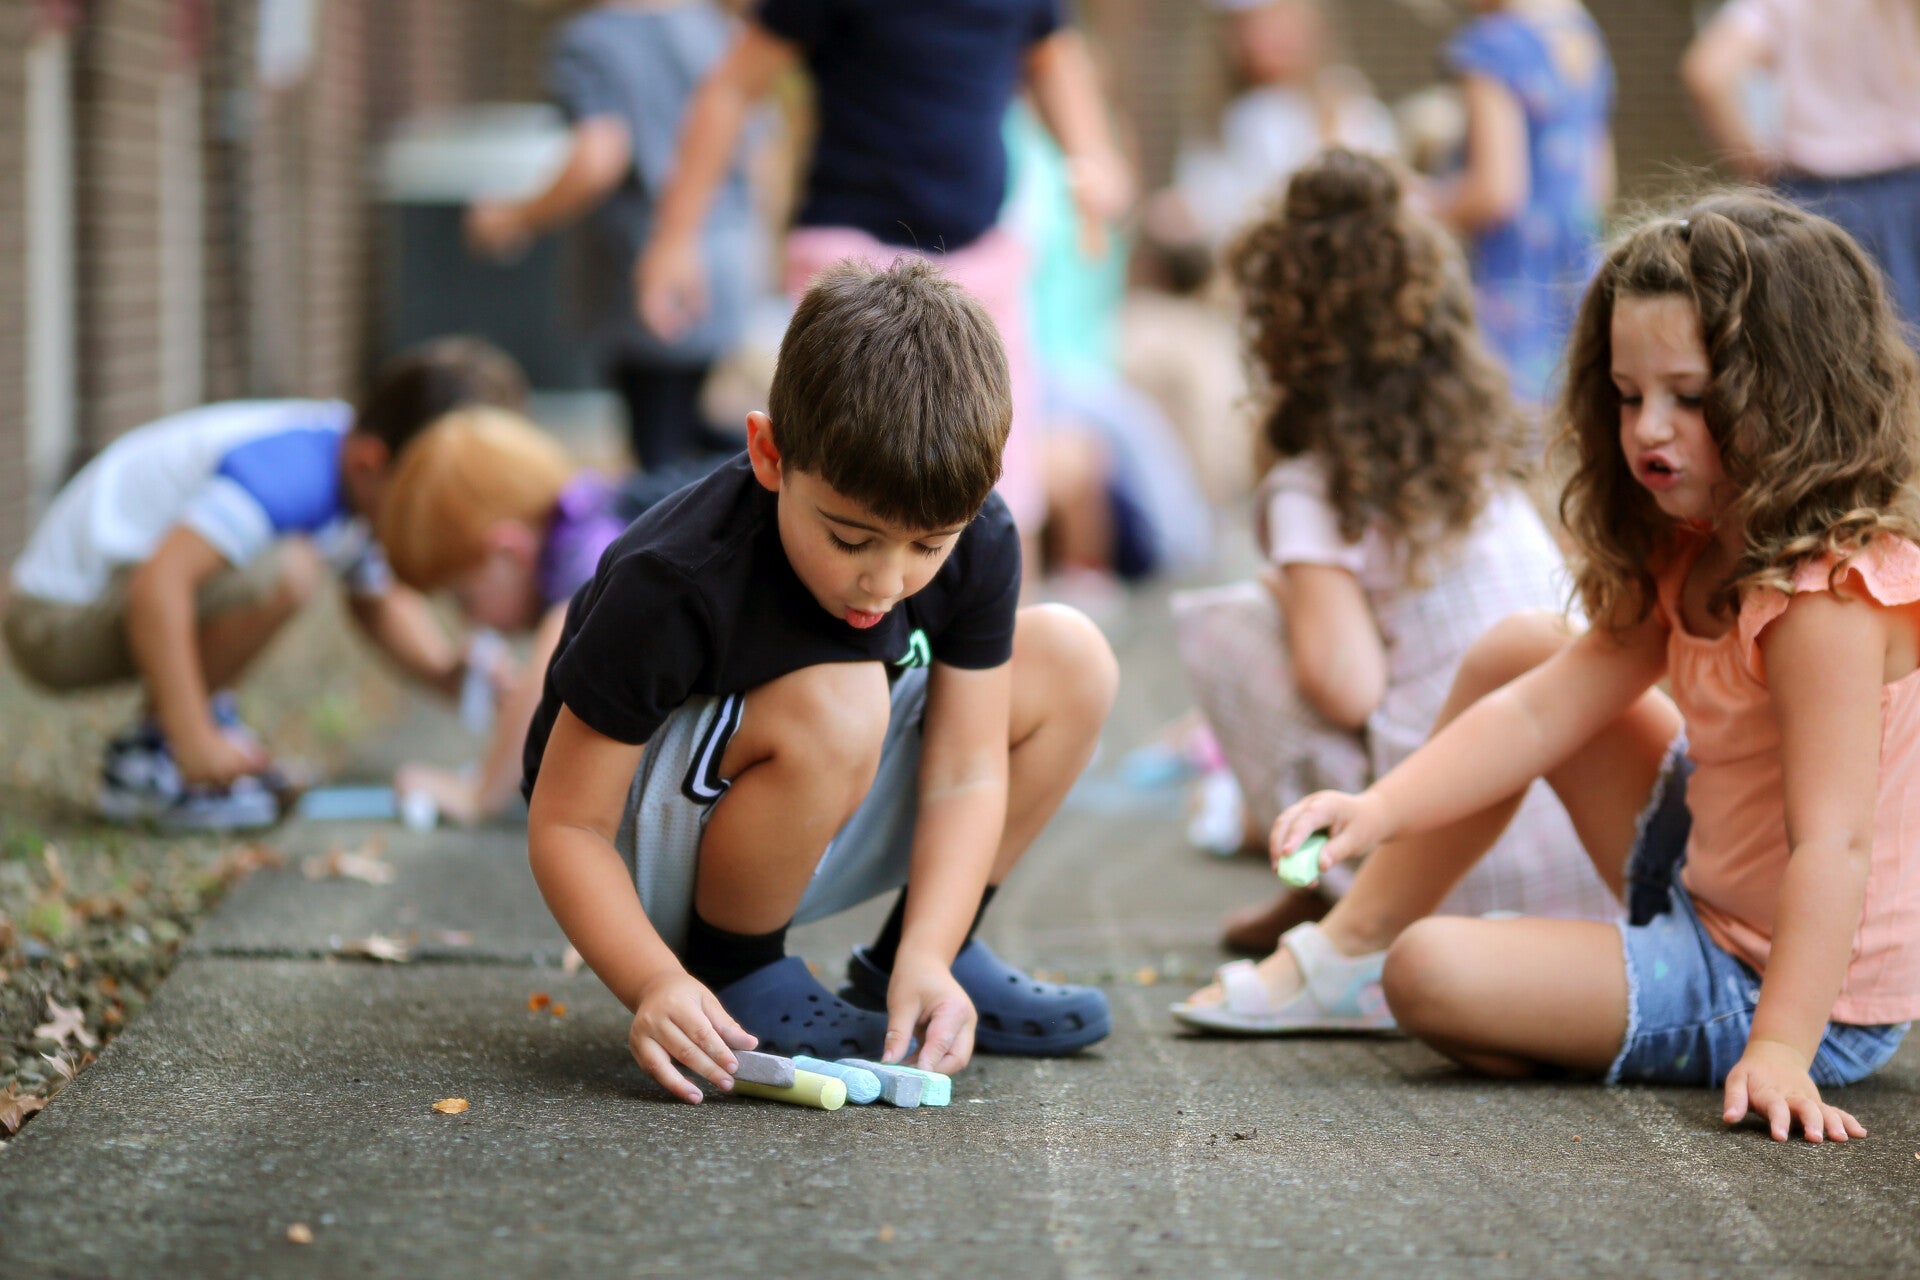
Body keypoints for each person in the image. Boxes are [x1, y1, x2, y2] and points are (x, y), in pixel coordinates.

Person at [1178, 193, 1920, 1144]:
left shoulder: (1825, 601)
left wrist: (1779, 1049)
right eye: (1628, 396)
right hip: (1703, 886)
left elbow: (1836, 847)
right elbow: (1539, 712)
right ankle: (1351, 946)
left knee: (1430, 973)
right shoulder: (1694, 544)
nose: (1648, 429)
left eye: (1690, 398)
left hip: (1793, 986)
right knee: (1524, 647)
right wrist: (1380, 810)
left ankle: (1500, 991)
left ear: (1793, 394)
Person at [523, 258, 1118, 1103]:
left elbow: (967, 771)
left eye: (928, 545)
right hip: (638, 849)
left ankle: (916, 968)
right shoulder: (673, 578)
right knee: (843, 694)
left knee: (1071, 659)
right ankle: (736, 971)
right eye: (849, 539)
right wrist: (652, 980)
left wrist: (929, 949)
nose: (886, 581)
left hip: (807, 797)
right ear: (769, 454)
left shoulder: (981, 536)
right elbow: (567, 825)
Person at [1170, 150, 1615, 966]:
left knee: (1232, 622)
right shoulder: (1481, 462)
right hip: (1582, 853)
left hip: (1433, 863)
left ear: (1279, 335)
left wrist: (1287, 594)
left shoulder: (1313, 487)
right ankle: (1315, 891)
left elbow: (1346, 684)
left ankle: (1327, 888)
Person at [634, 0, 1131, 540]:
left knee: (1000, 490)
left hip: (980, 263)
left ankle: (997, 594)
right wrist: (674, 238)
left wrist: (1091, 157)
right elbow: (732, 87)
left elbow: (1053, 59)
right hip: (852, 261)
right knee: (852, 471)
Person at [2, 339, 529, 831]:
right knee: (286, 571)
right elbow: (157, 587)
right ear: (371, 463)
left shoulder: (354, 473)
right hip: (53, 620)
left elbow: (377, 600)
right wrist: (193, 738)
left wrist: (446, 672)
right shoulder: (292, 472)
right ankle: (152, 760)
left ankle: (186, 732)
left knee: (284, 567)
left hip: (104, 601)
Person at [465, 0, 756, 470]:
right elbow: (756, 146)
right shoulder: (718, 32)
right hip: (724, 259)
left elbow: (599, 157)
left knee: (659, 452)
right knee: (683, 429)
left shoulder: (591, 41)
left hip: (643, 272)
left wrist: (512, 217)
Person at [373, 407, 630, 826]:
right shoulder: (590, 513)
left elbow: (556, 652)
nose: (468, 620)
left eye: (462, 597)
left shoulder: (587, 549)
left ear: (508, 552)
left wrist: (480, 794)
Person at [1681, 0, 1920, 332]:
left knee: (1826, 340)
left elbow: (1708, 74)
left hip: (1816, 200)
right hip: (1909, 193)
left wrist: (1755, 169)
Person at [1431, 0, 1614, 410]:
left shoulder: (1492, 45)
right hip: (1576, 266)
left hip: (1513, 276)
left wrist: (1423, 204)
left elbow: (1497, 193)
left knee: (1508, 412)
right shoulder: (1582, 34)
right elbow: (1598, 188)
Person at [1148, 0, 1397, 258]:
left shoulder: (1350, 107)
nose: (1260, 39)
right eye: (1247, 27)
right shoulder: (1234, 118)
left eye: (1274, 22)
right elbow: (1210, 207)